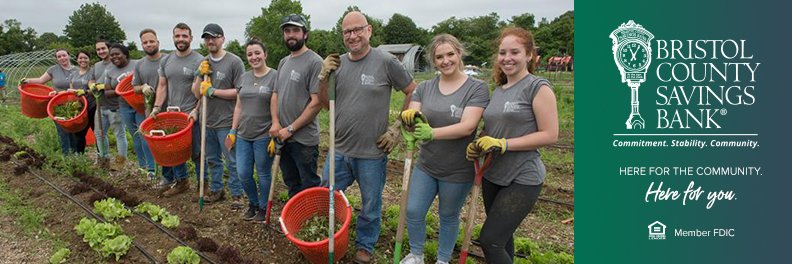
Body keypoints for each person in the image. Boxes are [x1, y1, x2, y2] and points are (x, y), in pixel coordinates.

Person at [317, 11, 417, 264]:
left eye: (357, 29)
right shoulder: (337, 65)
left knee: (371, 204)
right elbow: (325, 105)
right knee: (325, 195)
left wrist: (397, 127)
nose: (352, 36)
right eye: (347, 32)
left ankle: (365, 245)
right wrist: (323, 77)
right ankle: (327, 234)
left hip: (372, 152)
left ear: (369, 30)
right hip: (339, 149)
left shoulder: (386, 62)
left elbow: (412, 91)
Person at [465, 27, 558, 264]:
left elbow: (550, 134)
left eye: (514, 52)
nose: (507, 58)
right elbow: (493, 129)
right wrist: (479, 143)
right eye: (502, 52)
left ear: (529, 55)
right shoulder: (499, 90)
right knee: (503, 240)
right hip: (492, 173)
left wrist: (503, 143)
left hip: (522, 176)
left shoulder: (538, 87)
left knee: (490, 240)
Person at [398, 34, 489, 264]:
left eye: (450, 54)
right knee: (414, 211)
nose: (445, 60)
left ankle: (442, 259)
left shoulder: (477, 88)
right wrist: (410, 117)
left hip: (458, 169)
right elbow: (416, 115)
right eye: (439, 57)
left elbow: (468, 126)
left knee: (448, 215)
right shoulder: (425, 87)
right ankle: (416, 254)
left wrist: (432, 133)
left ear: (459, 54)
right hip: (427, 164)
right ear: (433, 60)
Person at [191, 23, 245, 208]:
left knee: (232, 160)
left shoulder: (234, 62)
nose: (210, 41)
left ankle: (237, 194)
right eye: (207, 38)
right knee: (212, 159)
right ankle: (217, 190)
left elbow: (240, 92)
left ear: (222, 38)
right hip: (207, 121)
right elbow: (196, 93)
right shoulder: (204, 62)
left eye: (214, 37)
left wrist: (213, 91)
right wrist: (199, 75)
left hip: (227, 122)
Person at [269, 14, 322, 198]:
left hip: (303, 140)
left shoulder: (315, 62)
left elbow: (316, 103)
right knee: (291, 182)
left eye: (295, 30)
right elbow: (275, 94)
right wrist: (276, 123)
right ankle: (296, 220)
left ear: (305, 34)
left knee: (308, 184)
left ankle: (311, 221)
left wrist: (290, 129)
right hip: (282, 136)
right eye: (287, 31)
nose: (291, 35)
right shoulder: (284, 62)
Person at [152, 22, 204, 197]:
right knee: (173, 151)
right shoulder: (166, 60)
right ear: (173, 37)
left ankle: (201, 185)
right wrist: (157, 107)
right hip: (173, 116)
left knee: (197, 152)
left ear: (191, 38)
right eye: (177, 36)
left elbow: (203, 91)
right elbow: (162, 86)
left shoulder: (200, 60)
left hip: (191, 115)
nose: (181, 39)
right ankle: (182, 182)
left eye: (184, 36)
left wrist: (197, 110)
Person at [229, 38, 277, 221]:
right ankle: (253, 203)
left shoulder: (274, 76)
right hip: (243, 135)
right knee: (243, 173)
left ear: (265, 54)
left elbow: (277, 105)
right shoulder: (244, 77)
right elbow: (239, 106)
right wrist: (233, 130)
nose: (254, 57)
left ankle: (264, 208)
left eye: (257, 53)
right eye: (250, 54)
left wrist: (275, 128)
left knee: (264, 173)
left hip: (263, 135)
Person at [22, 49, 78, 155]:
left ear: (69, 56)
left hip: (73, 105)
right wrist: (27, 80)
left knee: (74, 130)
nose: (62, 58)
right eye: (59, 57)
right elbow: (40, 80)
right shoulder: (53, 69)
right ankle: (66, 156)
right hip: (57, 105)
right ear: (56, 59)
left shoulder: (77, 70)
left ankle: (76, 153)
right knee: (62, 131)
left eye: (64, 55)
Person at [131, 28, 164, 181]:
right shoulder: (139, 65)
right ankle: (153, 169)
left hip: (166, 108)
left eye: (152, 41)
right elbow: (135, 87)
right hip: (149, 109)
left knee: (167, 142)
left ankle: (168, 175)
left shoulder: (167, 60)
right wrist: (143, 87)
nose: (149, 44)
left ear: (158, 42)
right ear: (142, 45)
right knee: (151, 140)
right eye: (145, 42)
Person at [91, 39, 127, 168]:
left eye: (103, 48)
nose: (101, 51)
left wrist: (104, 86)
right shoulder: (96, 65)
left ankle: (120, 163)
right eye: (98, 49)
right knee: (99, 134)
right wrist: (92, 85)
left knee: (119, 134)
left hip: (115, 106)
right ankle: (103, 159)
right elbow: (92, 80)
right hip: (100, 105)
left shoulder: (116, 64)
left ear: (109, 49)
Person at [104, 43, 138, 169]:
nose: (114, 57)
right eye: (111, 55)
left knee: (144, 136)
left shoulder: (137, 64)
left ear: (125, 54)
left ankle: (151, 166)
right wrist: (120, 91)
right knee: (135, 136)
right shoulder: (110, 71)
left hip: (140, 105)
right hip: (124, 107)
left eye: (117, 54)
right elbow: (107, 92)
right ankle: (143, 165)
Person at [66, 50, 97, 154]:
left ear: (89, 59)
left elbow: (93, 89)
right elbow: (71, 90)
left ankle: (100, 156)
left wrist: (84, 92)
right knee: (79, 133)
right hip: (79, 108)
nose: (82, 60)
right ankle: (80, 156)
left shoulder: (92, 72)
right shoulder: (73, 74)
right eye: (80, 58)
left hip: (91, 106)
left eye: (85, 58)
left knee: (96, 132)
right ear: (77, 59)